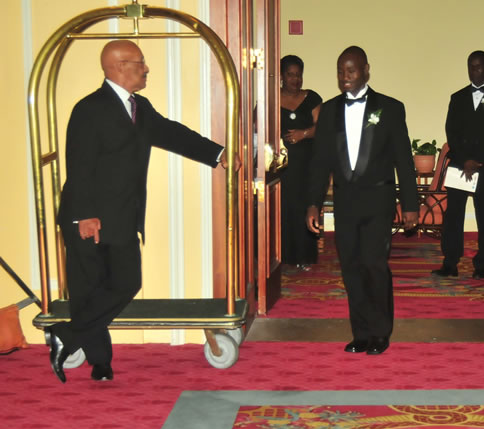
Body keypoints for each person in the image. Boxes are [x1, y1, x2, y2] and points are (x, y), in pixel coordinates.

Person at [47, 40, 239, 383]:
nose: (146, 68)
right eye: (140, 62)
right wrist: (86, 216)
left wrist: (218, 153)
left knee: (126, 283)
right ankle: (100, 362)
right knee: (88, 290)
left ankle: (67, 334)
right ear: (118, 67)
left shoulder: (140, 107)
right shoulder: (88, 109)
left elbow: (172, 133)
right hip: (86, 218)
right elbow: (79, 166)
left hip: (122, 217)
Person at [305, 46, 418, 356]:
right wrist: (313, 203)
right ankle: (362, 333)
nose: (346, 77)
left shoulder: (391, 108)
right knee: (351, 268)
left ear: (366, 70)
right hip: (345, 204)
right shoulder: (328, 111)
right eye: (341, 71)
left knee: (374, 265)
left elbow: (403, 160)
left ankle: (381, 333)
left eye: (351, 70)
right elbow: (320, 163)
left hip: (378, 201)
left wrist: (410, 204)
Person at [432, 51, 484, 279]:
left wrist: (481, 160)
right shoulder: (457, 98)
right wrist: (465, 158)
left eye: (478, 67)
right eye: (471, 67)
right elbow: (452, 131)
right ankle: (450, 262)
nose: (474, 71)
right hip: (460, 164)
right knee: (453, 217)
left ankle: (482, 264)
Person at [280, 55, 322, 270]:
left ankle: (305, 257)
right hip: (280, 167)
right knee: (284, 209)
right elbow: (257, 126)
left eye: (299, 75)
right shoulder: (270, 98)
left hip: (307, 163)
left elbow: (324, 127)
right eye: (290, 74)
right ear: (281, 76)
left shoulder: (312, 98)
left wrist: (304, 133)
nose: (295, 79)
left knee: (305, 207)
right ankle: (284, 257)